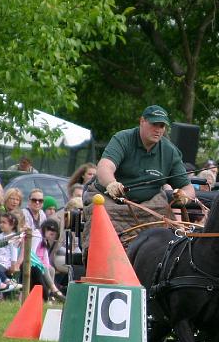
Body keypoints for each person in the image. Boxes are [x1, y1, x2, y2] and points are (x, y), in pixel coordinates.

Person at [83, 104, 195, 247]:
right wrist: (111, 183)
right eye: (154, 124)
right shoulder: (123, 138)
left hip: (151, 208)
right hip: (111, 201)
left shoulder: (170, 151)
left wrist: (184, 196)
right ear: (142, 121)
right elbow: (105, 166)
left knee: (172, 237)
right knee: (101, 217)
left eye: (162, 126)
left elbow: (187, 187)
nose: (158, 130)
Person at [22, 188, 47, 254]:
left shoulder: (42, 214)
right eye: (34, 200)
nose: (37, 202)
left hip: (39, 247)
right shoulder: (24, 213)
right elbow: (26, 233)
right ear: (29, 201)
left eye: (40, 200)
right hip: (25, 246)